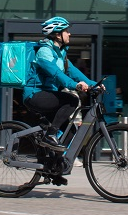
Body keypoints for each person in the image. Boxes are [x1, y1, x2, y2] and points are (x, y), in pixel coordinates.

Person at [22, 16, 96, 152]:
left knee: (70, 131)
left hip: (48, 94)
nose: (69, 34)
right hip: (34, 95)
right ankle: (50, 135)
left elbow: (74, 72)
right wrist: (75, 86)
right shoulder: (44, 52)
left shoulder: (61, 54)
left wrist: (93, 84)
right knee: (72, 99)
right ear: (57, 34)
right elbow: (56, 73)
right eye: (66, 31)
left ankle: (53, 167)